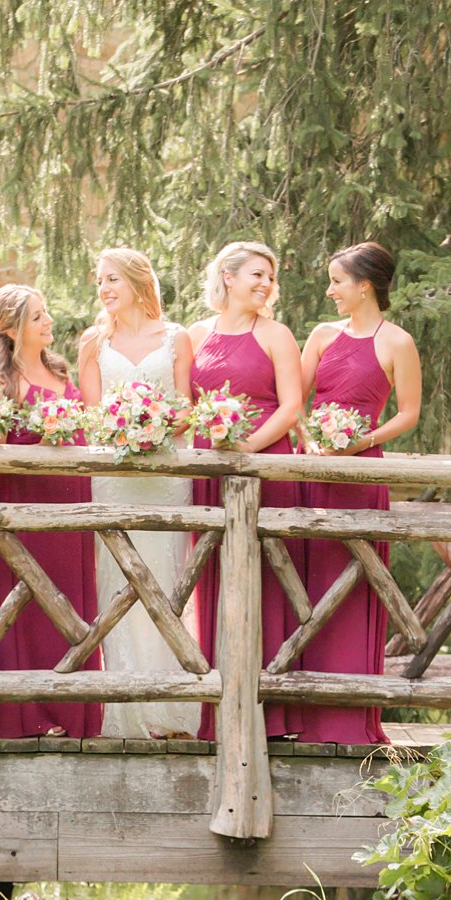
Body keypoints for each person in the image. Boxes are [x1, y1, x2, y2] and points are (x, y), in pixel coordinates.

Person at [298, 240, 423, 743]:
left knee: (353, 584)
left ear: (365, 284)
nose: (330, 291)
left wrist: (359, 441)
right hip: (313, 473)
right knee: (304, 584)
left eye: (337, 281)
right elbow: (296, 399)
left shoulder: (398, 342)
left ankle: (348, 718)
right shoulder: (322, 336)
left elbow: (409, 413)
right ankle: (301, 712)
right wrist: (310, 440)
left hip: (360, 473)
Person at [77, 247, 199, 737]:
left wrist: (158, 428)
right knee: (118, 581)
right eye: (99, 281)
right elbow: (90, 417)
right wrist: (122, 432)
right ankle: (124, 705)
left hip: (166, 476)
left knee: (166, 579)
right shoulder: (92, 342)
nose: (104, 289)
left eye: (112, 280)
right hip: (115, 474)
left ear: (136, 282)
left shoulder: (175, 337)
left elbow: (187, 407)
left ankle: (170, 706)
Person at [188, 240, 302, 737]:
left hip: (265, 467)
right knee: (211, 575)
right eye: (256, 274)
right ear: (228, 277)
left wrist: (248, 450)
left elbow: (292, 407)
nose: (265, 284)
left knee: (269, 579)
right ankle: (218, 711)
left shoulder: (276, 334)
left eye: (269, 277)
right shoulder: (194, 335)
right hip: (208, 468)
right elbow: (183, 402)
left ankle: (271, 712)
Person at [0, 283, 99, 737]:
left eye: (46, 312)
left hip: (71, 500)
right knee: (23, 603)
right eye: (37, 316)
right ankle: (25, 714)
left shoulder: (58, 369)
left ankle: (71, 709)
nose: (48, 321)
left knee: (70, 599)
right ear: (10, 329)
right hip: (21, 503)